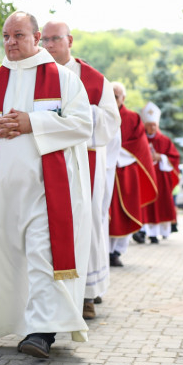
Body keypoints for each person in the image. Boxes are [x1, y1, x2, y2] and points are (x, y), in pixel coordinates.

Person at [0, 10, 93, 358]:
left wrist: (32, 123)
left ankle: (42, 332)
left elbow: (83, 124)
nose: (11, 42)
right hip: (3, 191)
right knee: (10, 260)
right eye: (6, 36)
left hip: (48, 190)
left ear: (37, 38)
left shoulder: (63, 80)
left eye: (19, 35)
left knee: (43, 254)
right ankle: (22, 323)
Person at [40, 20, 121, 320]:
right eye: (45, 40)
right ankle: (49, 291)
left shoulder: (94, 80)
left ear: (70, 41)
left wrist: (71, 116)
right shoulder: (37, 75)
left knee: (87, 222)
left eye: (55, 39)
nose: (49, 45)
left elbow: (110, 120)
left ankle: (87, 293)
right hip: (46, 159)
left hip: (84, 160)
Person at [108, 82, 157, 261]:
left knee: (125, 211)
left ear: (123, 98)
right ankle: (104, 251)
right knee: (107, 212)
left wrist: (113, 151)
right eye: (111, 95)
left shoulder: (132, 118)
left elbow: (138, 145)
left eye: (116, 96)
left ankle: (117, 251)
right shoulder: (102, 114)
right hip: (106, 170)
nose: (113, 99)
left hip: (126, 170)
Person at [140, 102, 181, 241]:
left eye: (154, 125)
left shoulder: (165, 140)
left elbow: (175, 158)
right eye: (149, 125)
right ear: (145, 125)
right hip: (146, 177)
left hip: (161, 178)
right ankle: (150, 234)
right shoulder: (140, 139)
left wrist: (161, 157)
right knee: (148, 205)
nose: (152, 127)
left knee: (162, 204)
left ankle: (163, 231)